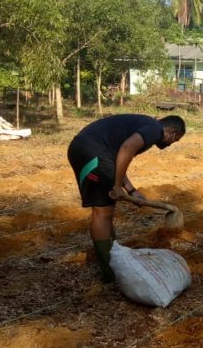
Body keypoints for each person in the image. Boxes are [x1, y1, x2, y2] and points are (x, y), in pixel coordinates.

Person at [67, 114, 186, 282]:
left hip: (84, 149)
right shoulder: (155, 129)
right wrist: (116, 185)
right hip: (93, 151)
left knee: (104, 210)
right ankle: (109, 272)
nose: (170, 144)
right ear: (172, 134)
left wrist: (131, 191)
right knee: (102, 213)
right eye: (175, 140)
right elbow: (127, 149)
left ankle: (112, 258)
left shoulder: (146, 125)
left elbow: (117, 159)